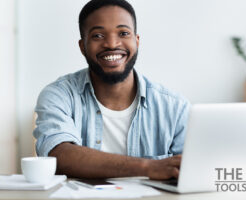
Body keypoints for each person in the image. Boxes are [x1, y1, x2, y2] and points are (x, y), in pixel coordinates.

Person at [33, 0, 190, 180]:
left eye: (123, 33)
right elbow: (59, 156)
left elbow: (195, 169)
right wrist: (148, 167)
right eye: (98, 36)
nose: (112, 44)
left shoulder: (176, 108)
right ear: (82, 46)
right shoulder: (59, 96)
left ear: (136, 41)